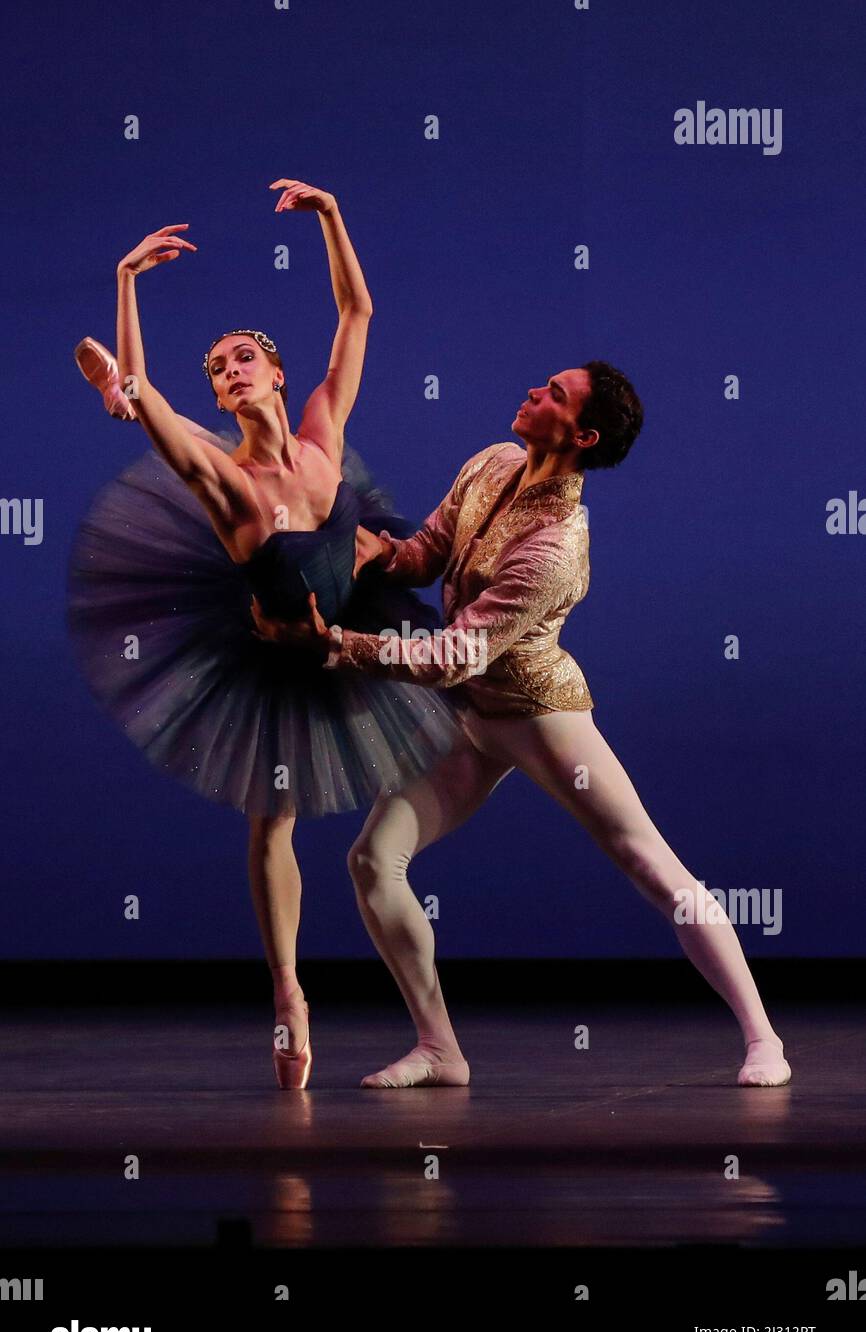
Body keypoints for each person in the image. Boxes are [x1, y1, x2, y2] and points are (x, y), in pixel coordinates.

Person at [251, 361, 792, 1090]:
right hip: (468, 719)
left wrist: (337, 647)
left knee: (649, 863)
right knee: (373, 861)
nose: (535, 392)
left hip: (539, 715)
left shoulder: (558, 545)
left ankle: (764, 1039)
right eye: (543, 383)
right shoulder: (492, 462)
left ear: (581, 434)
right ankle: (440, 1048)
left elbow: (456, 655)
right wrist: (376, 552)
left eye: (555, 396)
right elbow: (430, 552)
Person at [66, 180, 462, 1091]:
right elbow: (144, 400)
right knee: (274, 818)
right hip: (277, 653)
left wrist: (330, 215)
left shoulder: (323, 432)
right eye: (217, 370)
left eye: (242, 358)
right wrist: (126, 282)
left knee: (455, 724)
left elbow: (357, 311)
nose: (230, 372)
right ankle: (289, 992)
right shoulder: (222, 479)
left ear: (276, 374)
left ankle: (433, 1026)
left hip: (352, 629)